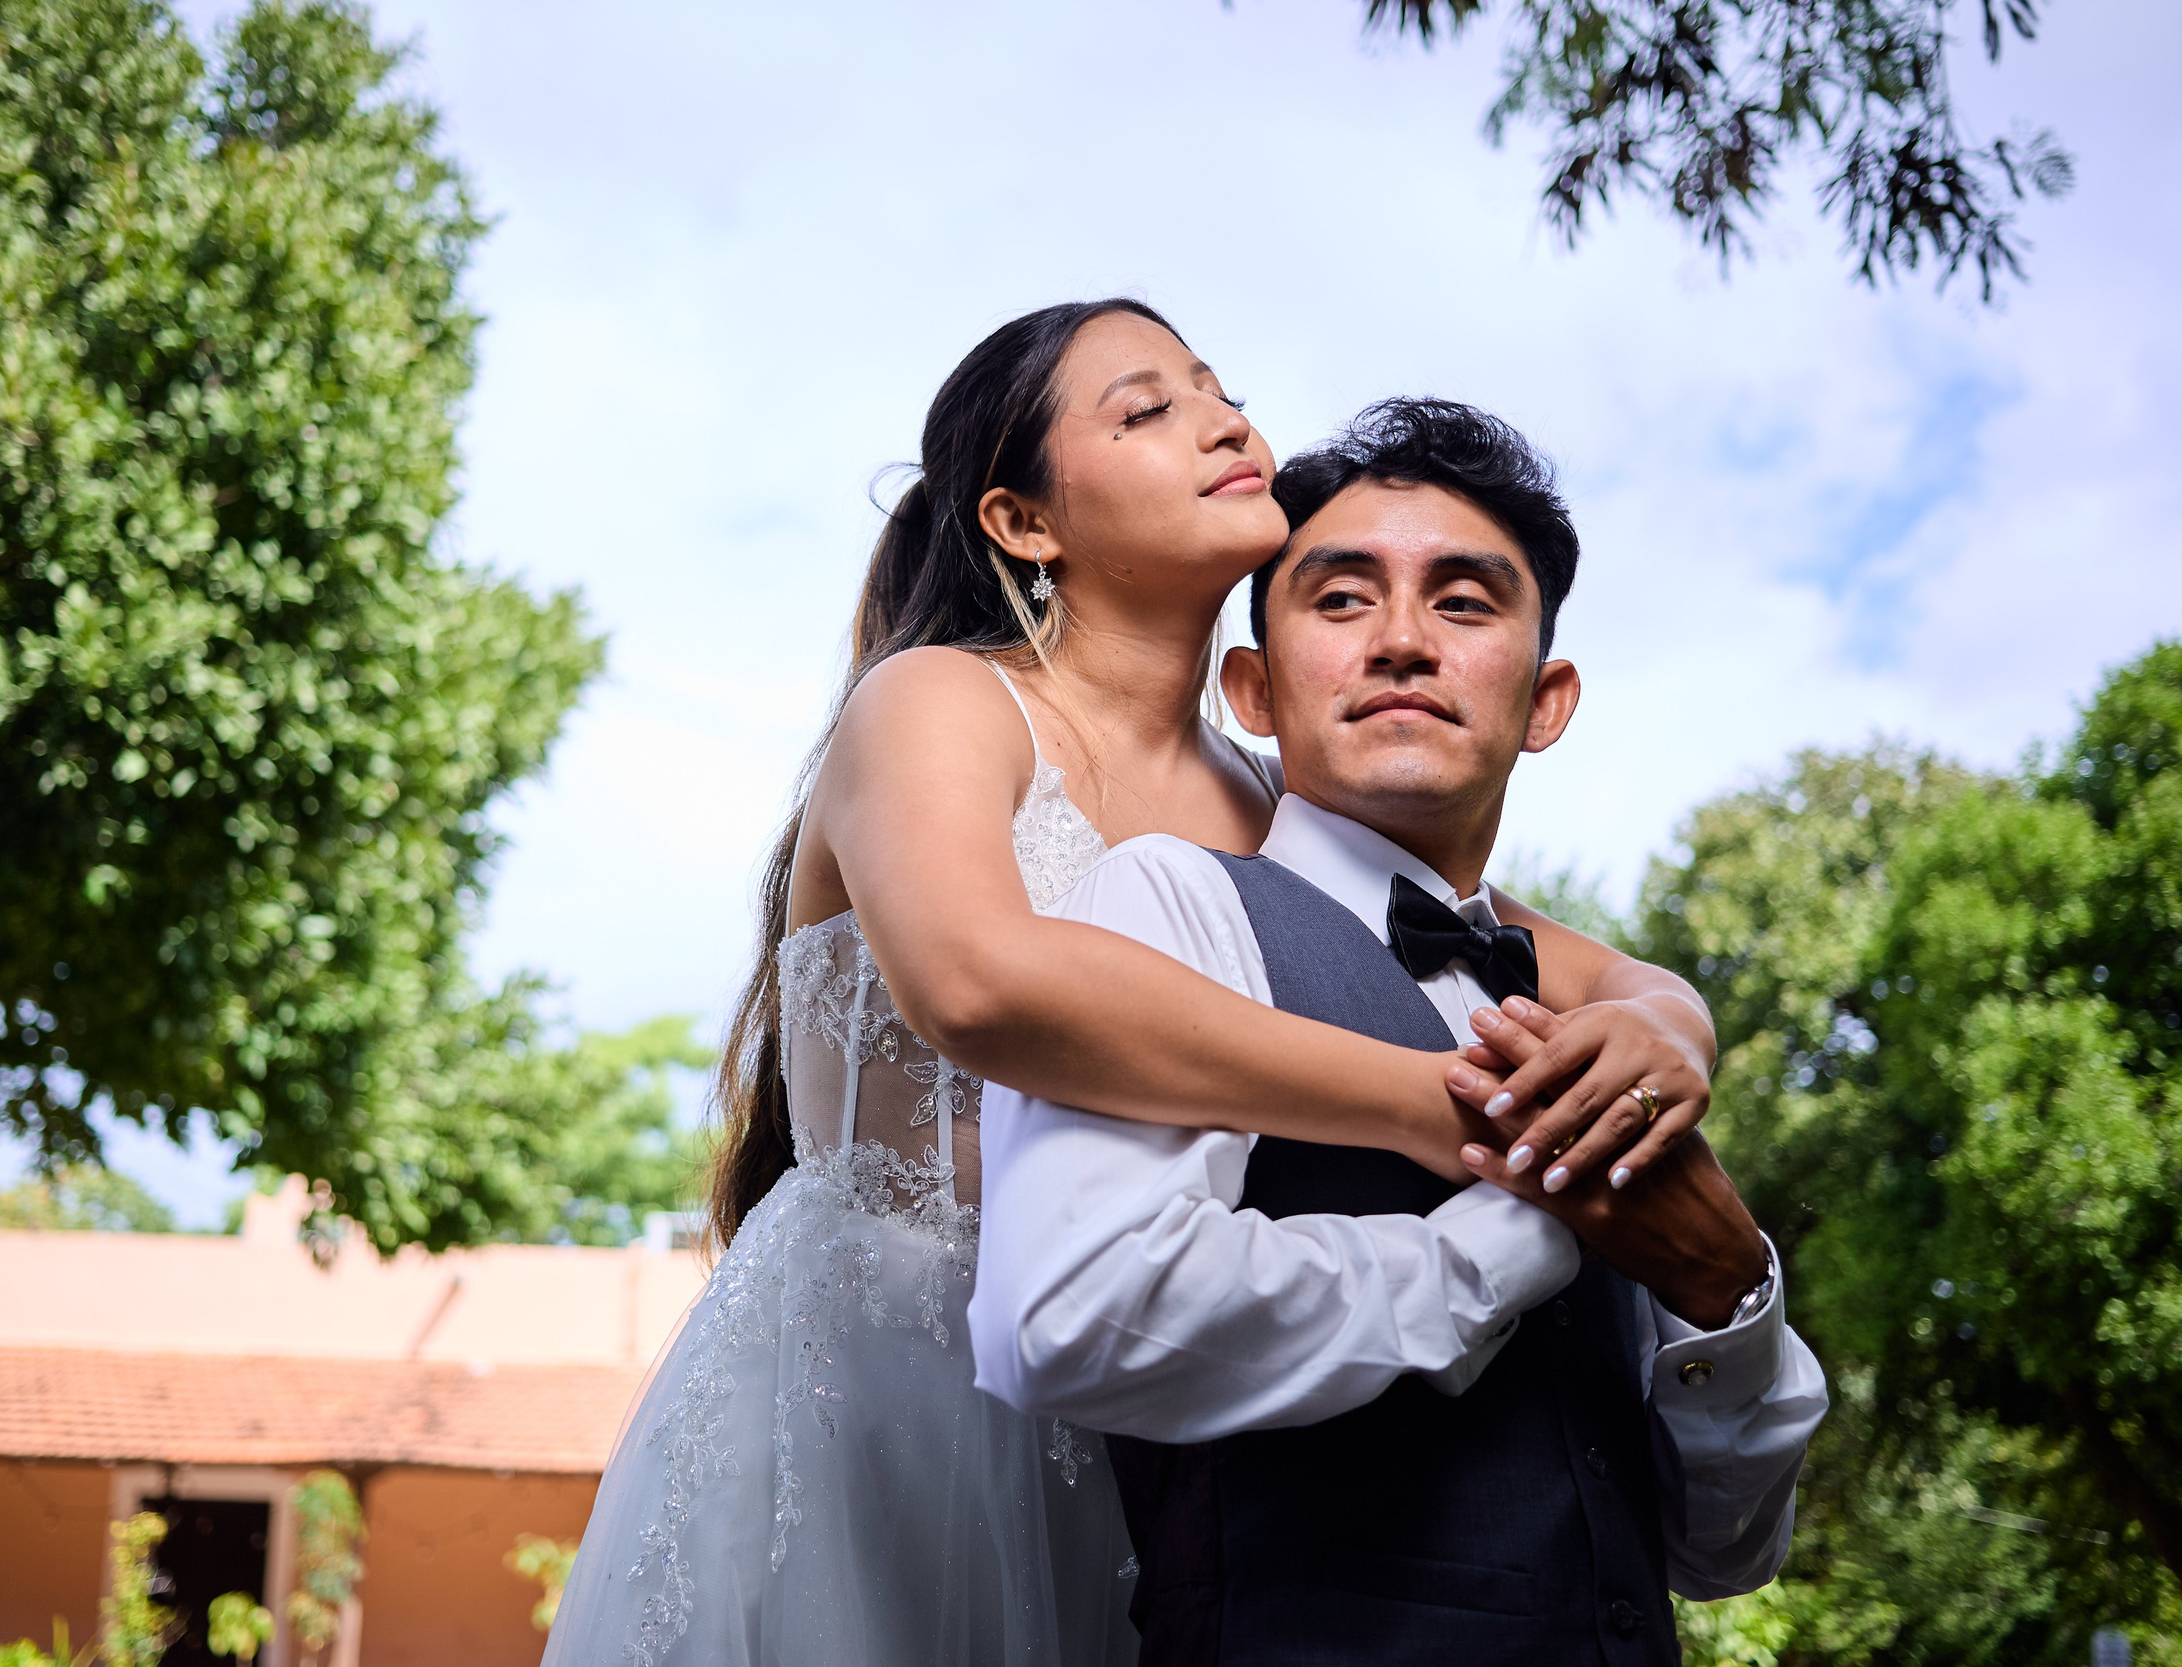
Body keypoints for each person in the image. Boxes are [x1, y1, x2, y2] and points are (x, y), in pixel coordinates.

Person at [545, 306, 1721, 1667]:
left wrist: (1665, 1025)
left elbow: (1550, 952)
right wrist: (1429, 1107)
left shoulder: (1266, 798)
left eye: (1221, 391)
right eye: (1147, 409)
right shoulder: (940, 701)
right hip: (880, 1391)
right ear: (1024, 520)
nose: (1225, 422)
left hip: (1154, 1415)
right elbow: (982, 980)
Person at [969, 398, 1831, 1666]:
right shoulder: (1169, 901)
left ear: (1545, 701)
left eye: (1466, 602)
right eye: (1341, 598)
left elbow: (1721, 1553)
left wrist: (1725, 1298)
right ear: (1252, 689)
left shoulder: (1593, 1020)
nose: (1404, 643)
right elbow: (1068, 1315)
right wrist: (1516, 1227)